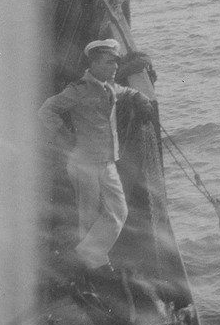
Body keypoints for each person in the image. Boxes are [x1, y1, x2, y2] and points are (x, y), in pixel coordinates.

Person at [39, 38, 155, 275]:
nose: (114, 68)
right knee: (89, 216)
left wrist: (138, 96)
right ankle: (91, 265)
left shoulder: (109, 86)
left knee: (119, 211)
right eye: (107, 63)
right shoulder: (78, 90)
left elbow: (123, 91)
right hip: (84, 163)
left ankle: (88, 254)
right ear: (93, 64)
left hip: (107, 161)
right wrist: (64, 134)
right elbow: (47, 110)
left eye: (115, 63)